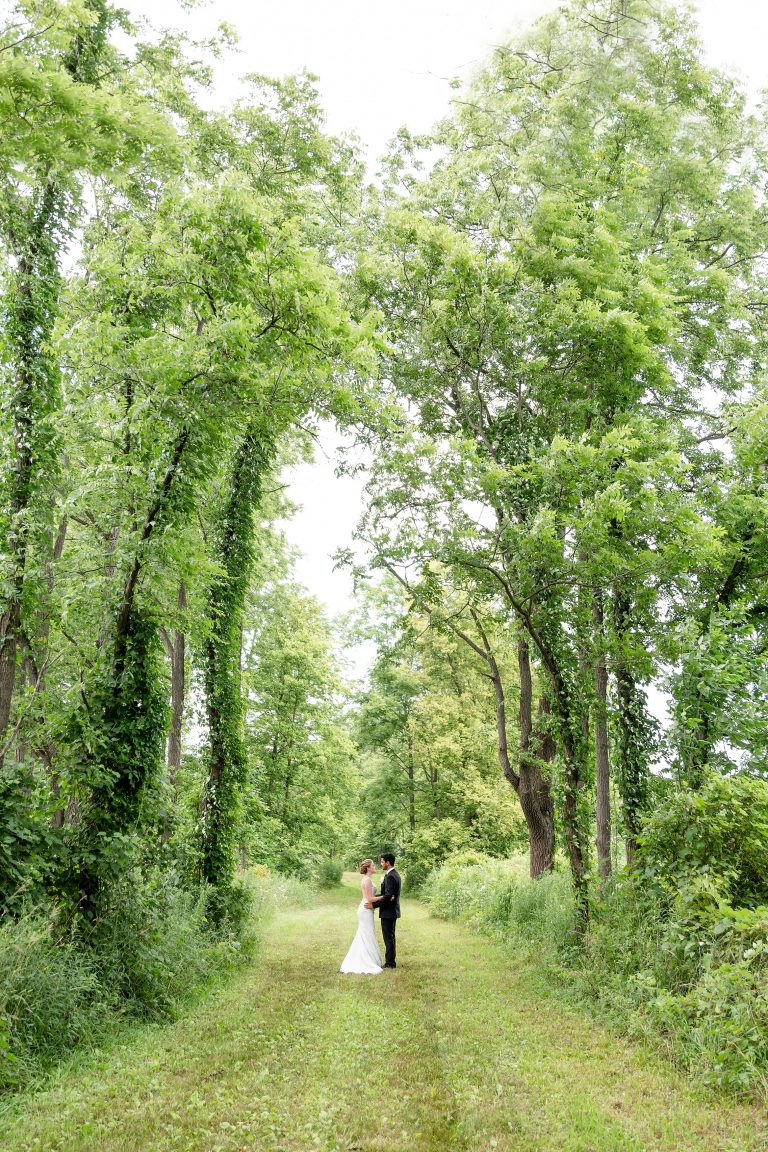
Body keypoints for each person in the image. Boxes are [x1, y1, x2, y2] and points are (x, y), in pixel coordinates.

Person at [339, 859, 384, 975]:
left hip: (365, 909)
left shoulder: (366, 879)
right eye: (373, 865)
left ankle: (367, 958)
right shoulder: (367, 880)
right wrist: (384, 897)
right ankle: (365, 961)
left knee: (365, 933)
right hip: (366, 909)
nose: (375, 867)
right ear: (368, 868)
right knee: (367, 933)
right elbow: (370, 899)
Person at [365, 852, 401, 968]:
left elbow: (387, 897)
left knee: (388, 937)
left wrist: (373, 905)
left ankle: (390, 963)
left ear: (387, 862)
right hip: (392, 911)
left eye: (382, 861)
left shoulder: (390, 876)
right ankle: (391, 961)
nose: (381, 864)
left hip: (388, 912)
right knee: (390, 936)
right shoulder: (394, 874)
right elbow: (387, 895)